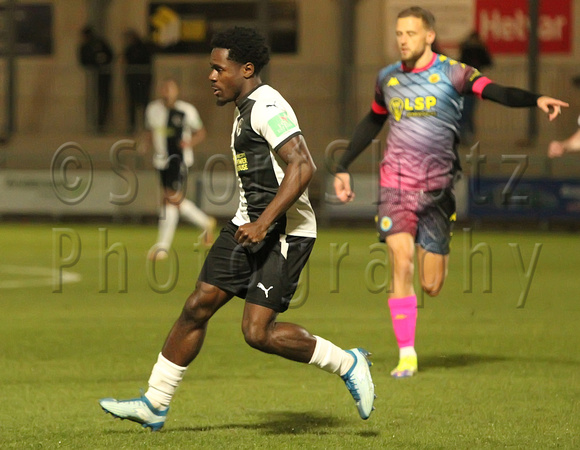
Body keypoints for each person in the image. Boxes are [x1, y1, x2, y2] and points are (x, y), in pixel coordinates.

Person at [99, 27, 375, 430]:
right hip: (247, 225)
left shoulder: (267, 106)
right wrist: (254, 221)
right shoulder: (243, 108)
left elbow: (303, 166)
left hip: (283, 233)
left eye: (218, 69)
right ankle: (155, 403)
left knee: (257, 333)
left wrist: (265, 224)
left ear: (246, 69)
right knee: (198, 304)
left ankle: (348, 362)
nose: (211, 76)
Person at [333, 6, 568, 379]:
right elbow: (374, 119)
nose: (403, 40)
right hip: (396, 185)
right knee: (400, 259)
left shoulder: (454, 73)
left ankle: (439, 252)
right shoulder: (387, 78)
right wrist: (343, 165)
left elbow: (495, 91)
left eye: (410, 33)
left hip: (439, 190)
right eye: (398, 33)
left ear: (429, 36)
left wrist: (535, 99)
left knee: (432, 284)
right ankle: (407, 354)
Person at [142, 77, 216, 256]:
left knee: (171, 198)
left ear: (177, 91)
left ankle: (162, 248)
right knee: (170, 200)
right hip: (161, 160)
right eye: (164, 88)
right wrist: (145, 144)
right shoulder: (153, 109)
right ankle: (205, 223)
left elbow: (201, 132)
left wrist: (189, 142)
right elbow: (151, 131)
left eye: (171, 88)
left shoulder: (186, 110)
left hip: (179, 159)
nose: (167, 92)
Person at [458, 31, 493, 144]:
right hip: (471, 83)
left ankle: (466, 132)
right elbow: (488, 62)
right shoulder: (473, 50)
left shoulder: (468, 49)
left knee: (467, 108)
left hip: (468, 83)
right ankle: (467, 132)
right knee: (468, 108)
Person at [78, 26, 113, 133]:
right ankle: (94, 124)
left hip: (102, 75)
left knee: (102, 99)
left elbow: (110, 55)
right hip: (92, 77)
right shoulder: (85, 46)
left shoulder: (99, 43)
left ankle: (100, 124)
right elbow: (83, 60)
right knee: (93, 100)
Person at [122, 29, 154, 134]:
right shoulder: (133, 48)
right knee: (133, 104)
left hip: (141, 79)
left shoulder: (141, 48)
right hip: (135, 79)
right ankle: (133, 126)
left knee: (143, 104)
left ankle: (144, 126)